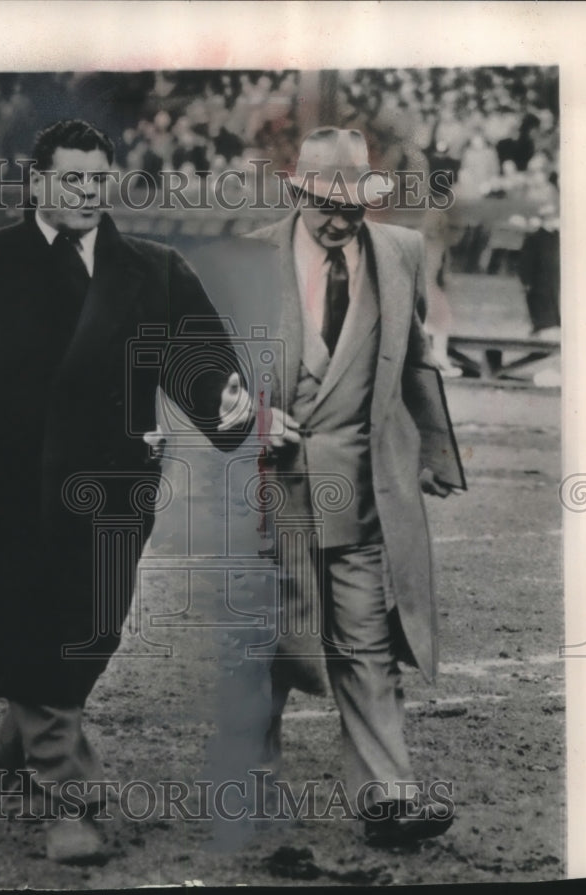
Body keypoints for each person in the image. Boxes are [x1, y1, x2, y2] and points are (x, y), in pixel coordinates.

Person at [0, 119, 249, 863]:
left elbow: (202, 366)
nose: (87, 193)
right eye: (71, 179)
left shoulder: (152, 269)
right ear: (37, 182)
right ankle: (73, 798)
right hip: (7, 493)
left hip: (114, 492)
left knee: (88, 634)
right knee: (37, 628)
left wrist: (227, 402)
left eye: (99, 179)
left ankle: (13, 750)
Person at [245, 127, 459, 846]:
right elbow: (209, 371)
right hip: (272, 496)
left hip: (365, 493)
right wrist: (253, 420)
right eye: (323, 202)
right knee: (270, 649)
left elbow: (415, 357)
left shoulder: (399, 252)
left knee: (368, 647)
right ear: (297, 191)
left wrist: (434, 450)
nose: (339, 219)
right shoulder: (250, 254)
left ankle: (388, 799)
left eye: (352, 204)